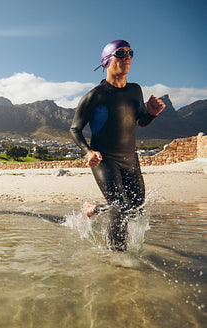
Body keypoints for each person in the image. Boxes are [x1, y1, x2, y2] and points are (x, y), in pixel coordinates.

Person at [70, 40, 165, 251]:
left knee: (136, 209)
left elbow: (139, 121)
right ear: (106, 61)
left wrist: (151, 113)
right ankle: (118, 260)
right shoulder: (96, 95)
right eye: (120, 53)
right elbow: (75, 129)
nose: (127, 57)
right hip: (105, 160)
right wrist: (88, 152)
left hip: (130, 158)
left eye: (130, 53)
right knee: (120, 208)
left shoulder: (135, 90)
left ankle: (93, 209)